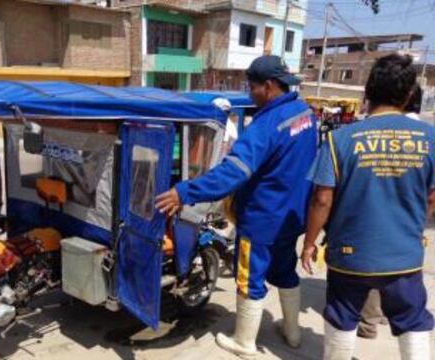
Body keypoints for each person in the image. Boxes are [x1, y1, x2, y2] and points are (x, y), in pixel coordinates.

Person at [155, 55, 318, 358]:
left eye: (252, 87)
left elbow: (231, 174)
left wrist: (184, 191)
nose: (249, 94)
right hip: (293, 216)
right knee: (285, 270)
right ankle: (293, 334)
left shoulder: (265, 126)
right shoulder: (305, 114)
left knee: (249, 277)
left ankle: (244, 342)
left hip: (261, 220)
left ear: (268, 86)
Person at [302, 53, 434, 360]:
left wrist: (309, 243)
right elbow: (432, 197)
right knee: (413, 321)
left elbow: (322, 198)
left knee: (341, 317)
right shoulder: (431, 138)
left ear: (367, 93)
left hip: (349, 255)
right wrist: (414, 221)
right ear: (410, 95)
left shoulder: (340, 139)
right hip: (405, 256)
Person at [357, 83, 424, 340]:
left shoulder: (368, 133)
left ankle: (368, 324)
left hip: (375, 221)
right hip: (408, 225)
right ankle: (381, 316)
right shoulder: (426, 135)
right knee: (401, 281)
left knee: (375, 273)